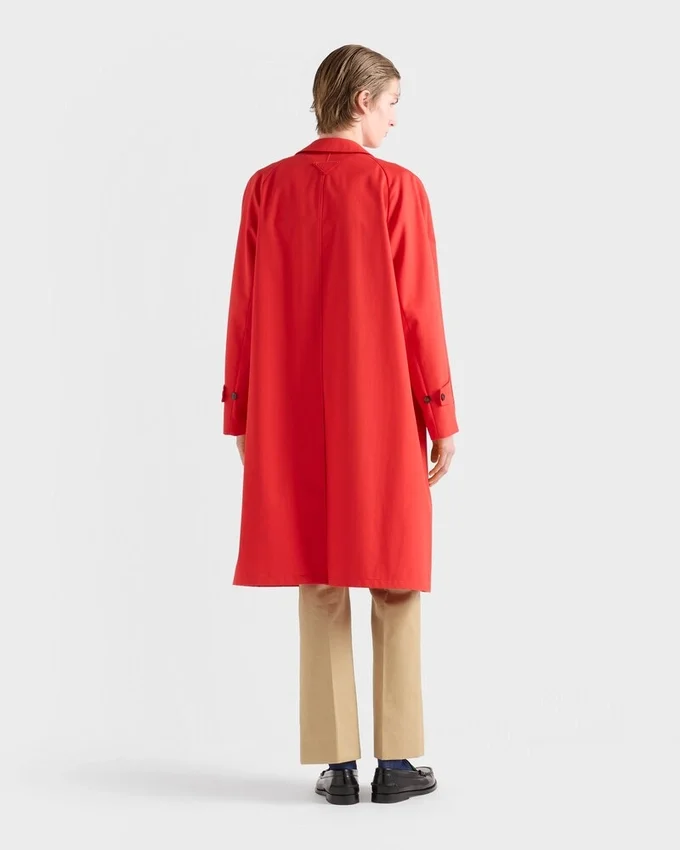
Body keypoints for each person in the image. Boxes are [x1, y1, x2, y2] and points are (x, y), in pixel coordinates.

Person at [221, 44, 459, 805]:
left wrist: (240, 412)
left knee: (319, 578)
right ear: (361, 102)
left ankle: (338, 767)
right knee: (394, 575)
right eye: (392, 104)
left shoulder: (266, 188)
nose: (395, 119)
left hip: (289, 414)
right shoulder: (396, 188)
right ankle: (397, 763)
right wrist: (442, 414)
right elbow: (419, 312)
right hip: (382, 412)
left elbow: (244, 308)